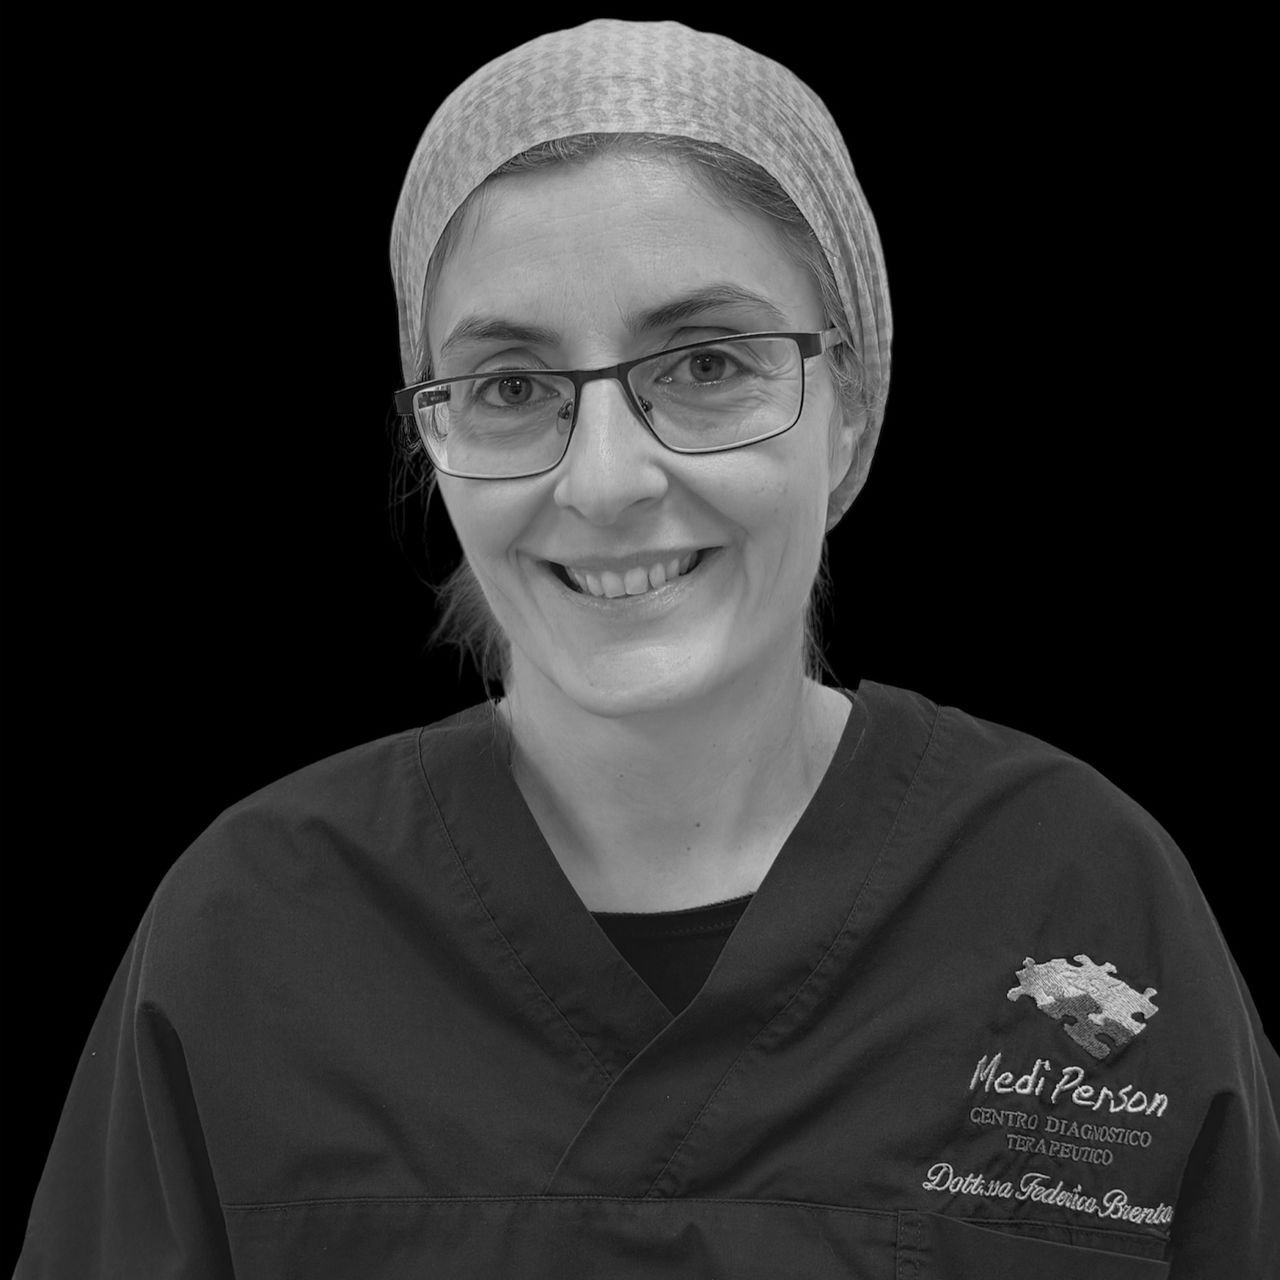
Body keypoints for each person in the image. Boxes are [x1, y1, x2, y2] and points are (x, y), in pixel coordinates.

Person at [15, 18, 1277, 1278]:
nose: (606, 481)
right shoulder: (250, 935)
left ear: (846, 405)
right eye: (511, 386)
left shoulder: (1083, 895)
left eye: (707, 361)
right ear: (431, 440)